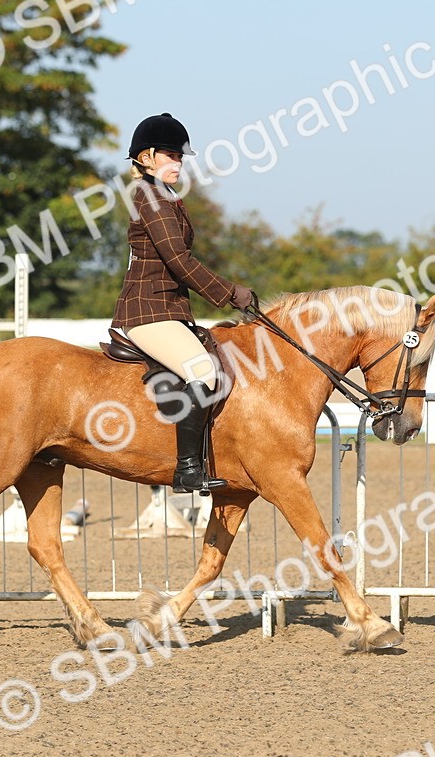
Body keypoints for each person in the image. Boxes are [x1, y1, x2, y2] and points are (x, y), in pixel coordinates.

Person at [112, 113, 257, 493]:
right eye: (171, 155)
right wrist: (230, 294)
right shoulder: (150, 196)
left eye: (180, 157)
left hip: (167, 310)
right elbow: (178, 261)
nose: (178, 163)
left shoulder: (166, 196)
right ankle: (187, 469)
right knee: (202, 371)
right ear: (146, 157)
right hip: (148, 311)